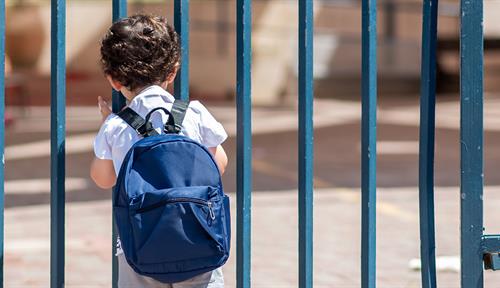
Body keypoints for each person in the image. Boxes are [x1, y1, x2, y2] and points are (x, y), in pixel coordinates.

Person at [90, 14, 228, 288]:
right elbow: (219, 164)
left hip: (141, 242)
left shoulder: (115, 126)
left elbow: (104, 179)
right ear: (173, 71)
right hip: (198, 235)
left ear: (113, 80)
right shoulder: (195, 113)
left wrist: (107, 123)